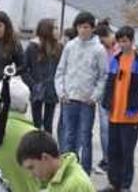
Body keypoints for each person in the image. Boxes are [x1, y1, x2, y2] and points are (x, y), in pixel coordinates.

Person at [98, 26, 138, 192]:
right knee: (112, 150)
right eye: (120, 41)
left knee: (127, 152)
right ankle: (113, 183)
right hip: (114, 115)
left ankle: (125, 184)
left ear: (132, 41)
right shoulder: (114, 60)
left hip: (130, 117)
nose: (123, 44)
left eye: (126, 41)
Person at [53, 11, 109, 174]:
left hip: (86, 101)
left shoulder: (99, 50)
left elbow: (103, 75)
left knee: (85, 136)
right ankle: (67, 167)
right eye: (80, 27)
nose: (83, 30)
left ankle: (84, 170)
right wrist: (61, 92)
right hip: (69, 99)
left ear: (92, 29)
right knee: (68, 135)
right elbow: (61, 71)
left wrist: (95, 96)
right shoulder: (70, 46)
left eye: (86, 27)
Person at [23, 18, 62, 134]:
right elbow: (24, 69)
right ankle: (36, 146)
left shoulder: (59, 47)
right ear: (46, 30)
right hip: (37, 89)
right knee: (36, 122)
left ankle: (47, 146)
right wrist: (33, 85)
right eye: (54, 28)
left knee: (48, 123)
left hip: (52, 88)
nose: (57, 31)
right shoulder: (32, 47)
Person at [93, 19, 117, 173]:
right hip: (104, 92)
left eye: (103, 41)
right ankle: (107, 157)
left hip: (115, 91)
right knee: (104, 128)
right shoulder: (102, 49)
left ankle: (111, 158)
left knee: (110, 128)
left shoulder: (119, 48)